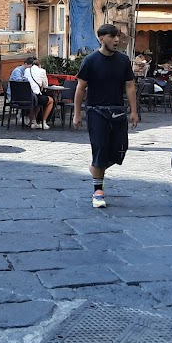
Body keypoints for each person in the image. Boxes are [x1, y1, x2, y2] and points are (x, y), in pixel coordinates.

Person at [73, 24, 138, 208]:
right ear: (101, 39)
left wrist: (134, 111)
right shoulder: (90, 60)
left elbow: (130, 86)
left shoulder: (123, 60)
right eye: (112, 37)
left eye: (117, 36)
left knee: (120, 149)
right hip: (96, 111)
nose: (116, 40)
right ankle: (98, 191)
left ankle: (95, 168)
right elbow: (80, 88)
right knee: (100, 148)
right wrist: (77, 113)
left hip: (117, 110)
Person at [7, 56, 53, 129]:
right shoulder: (18, 71)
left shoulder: (26, 71)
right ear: (25, 64)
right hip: (15, 97)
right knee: (38, 99)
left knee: (35, 99)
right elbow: (20, 86)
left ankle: (31, 119)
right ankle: (36, 120)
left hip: (24, 95)